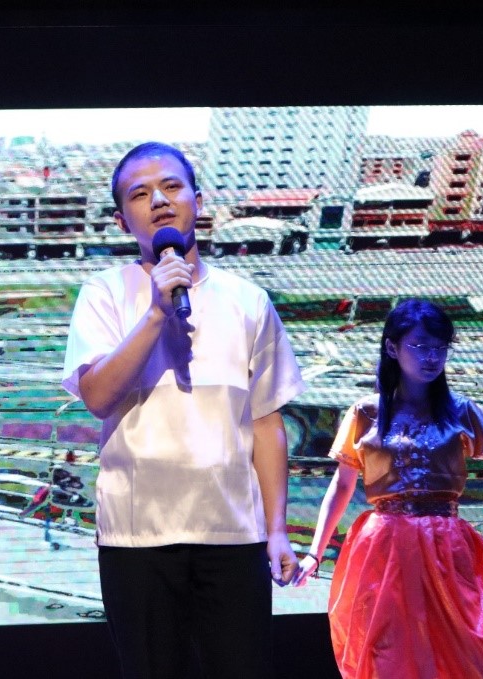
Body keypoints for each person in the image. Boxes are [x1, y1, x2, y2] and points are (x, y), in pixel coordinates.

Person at [62, 142, 306, 678]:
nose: (159, 201)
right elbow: (97, 396)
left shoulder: (248, 300)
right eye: (140, 194)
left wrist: (277, 529)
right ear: (122, 220)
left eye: (171, 186)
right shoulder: (103, 293)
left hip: (233, 533)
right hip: (138, 537)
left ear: (198, 199)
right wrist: (155, 313)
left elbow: (266, 422)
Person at [294, 298, 483, 679]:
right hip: (383, 547)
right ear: (392, 348)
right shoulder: (366, 412)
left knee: (456, 650)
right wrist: (314, 555)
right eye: (420, 346)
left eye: (440, 348)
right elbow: (342, 485)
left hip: (444, 546)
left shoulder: (461, 411)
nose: (432, 357)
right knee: (386, 651)